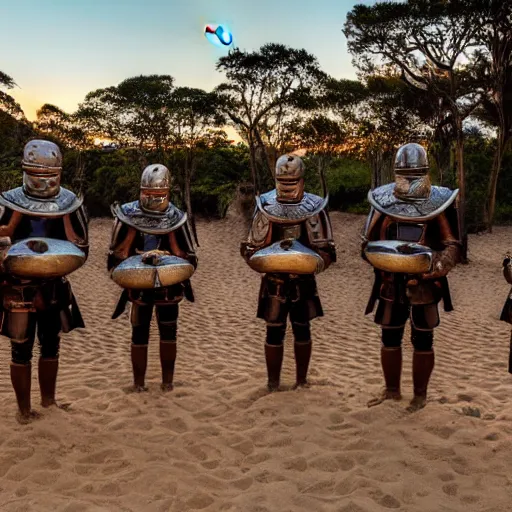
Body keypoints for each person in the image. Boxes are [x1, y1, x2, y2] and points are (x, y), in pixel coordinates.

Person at [361, 142, 461, 412]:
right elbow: (367, 241)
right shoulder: (382, 200)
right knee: (389, 336)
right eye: (407, 175)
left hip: (424, 284)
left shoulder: (438, 203)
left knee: (423, 339)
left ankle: (420, 395)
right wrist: (378, 257)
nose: (410, 180)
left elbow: (452, 244)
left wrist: (438, 266)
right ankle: (391, 391)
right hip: (390, 283)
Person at [0, 139, 88, 423]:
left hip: (53, 286)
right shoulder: (7, 201)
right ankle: (24, 411)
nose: (43, 183)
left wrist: (63, 217)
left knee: (51, 345)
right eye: (37, 176)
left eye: (49, 177)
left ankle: (49, 401)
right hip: (18, 287)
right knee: (21, 347)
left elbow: (81, 246)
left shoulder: (69, 203)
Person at [241, 154, 336, 391]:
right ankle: (273, 383)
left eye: (292, 181)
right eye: (283, 180)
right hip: (274, 281)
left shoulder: (314, 206)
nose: (287, 186)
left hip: (303, 281)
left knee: (302, 329)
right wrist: (255, 256)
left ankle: (301, 381)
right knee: (274, 331)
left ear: (302, 180)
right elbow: (253, 246)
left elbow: (326, 250)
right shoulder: (265, 204)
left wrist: (314, 260)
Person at [108, 164, 197, 392]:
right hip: (138, 285)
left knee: (168, 331)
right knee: (139, 332)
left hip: (169, 285)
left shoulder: (176, 216)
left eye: (159, 195)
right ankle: (138, 383)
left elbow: (188, 258)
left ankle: (167, 382)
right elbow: (116, 256)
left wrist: (168, 243)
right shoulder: (127, 214)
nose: (153, 199)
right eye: (148, 194)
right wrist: (134, 245)